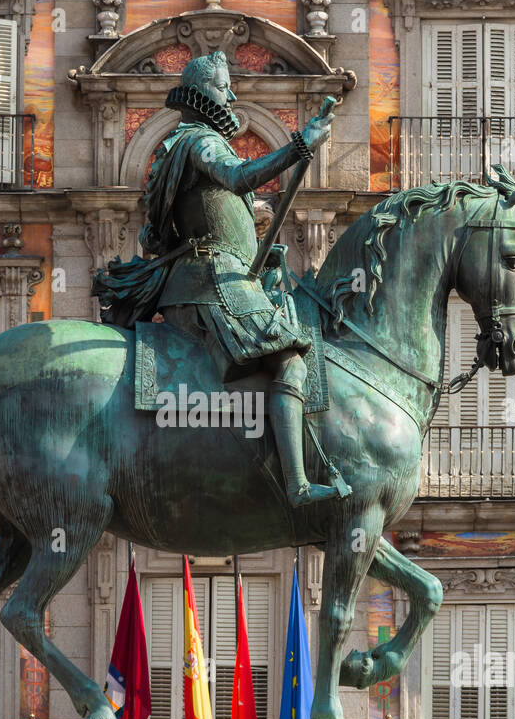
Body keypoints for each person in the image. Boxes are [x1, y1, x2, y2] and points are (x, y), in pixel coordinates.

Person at [95, 51, 340, 507]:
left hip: (203, 280)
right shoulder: (200, 141)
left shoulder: (178, 146)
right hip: (212, 283)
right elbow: (238, 176)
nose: (231, 95)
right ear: (203, 93)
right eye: (224, 86)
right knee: (291, 361)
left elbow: (178, 225)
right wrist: (301, 144)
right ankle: (298, 485)